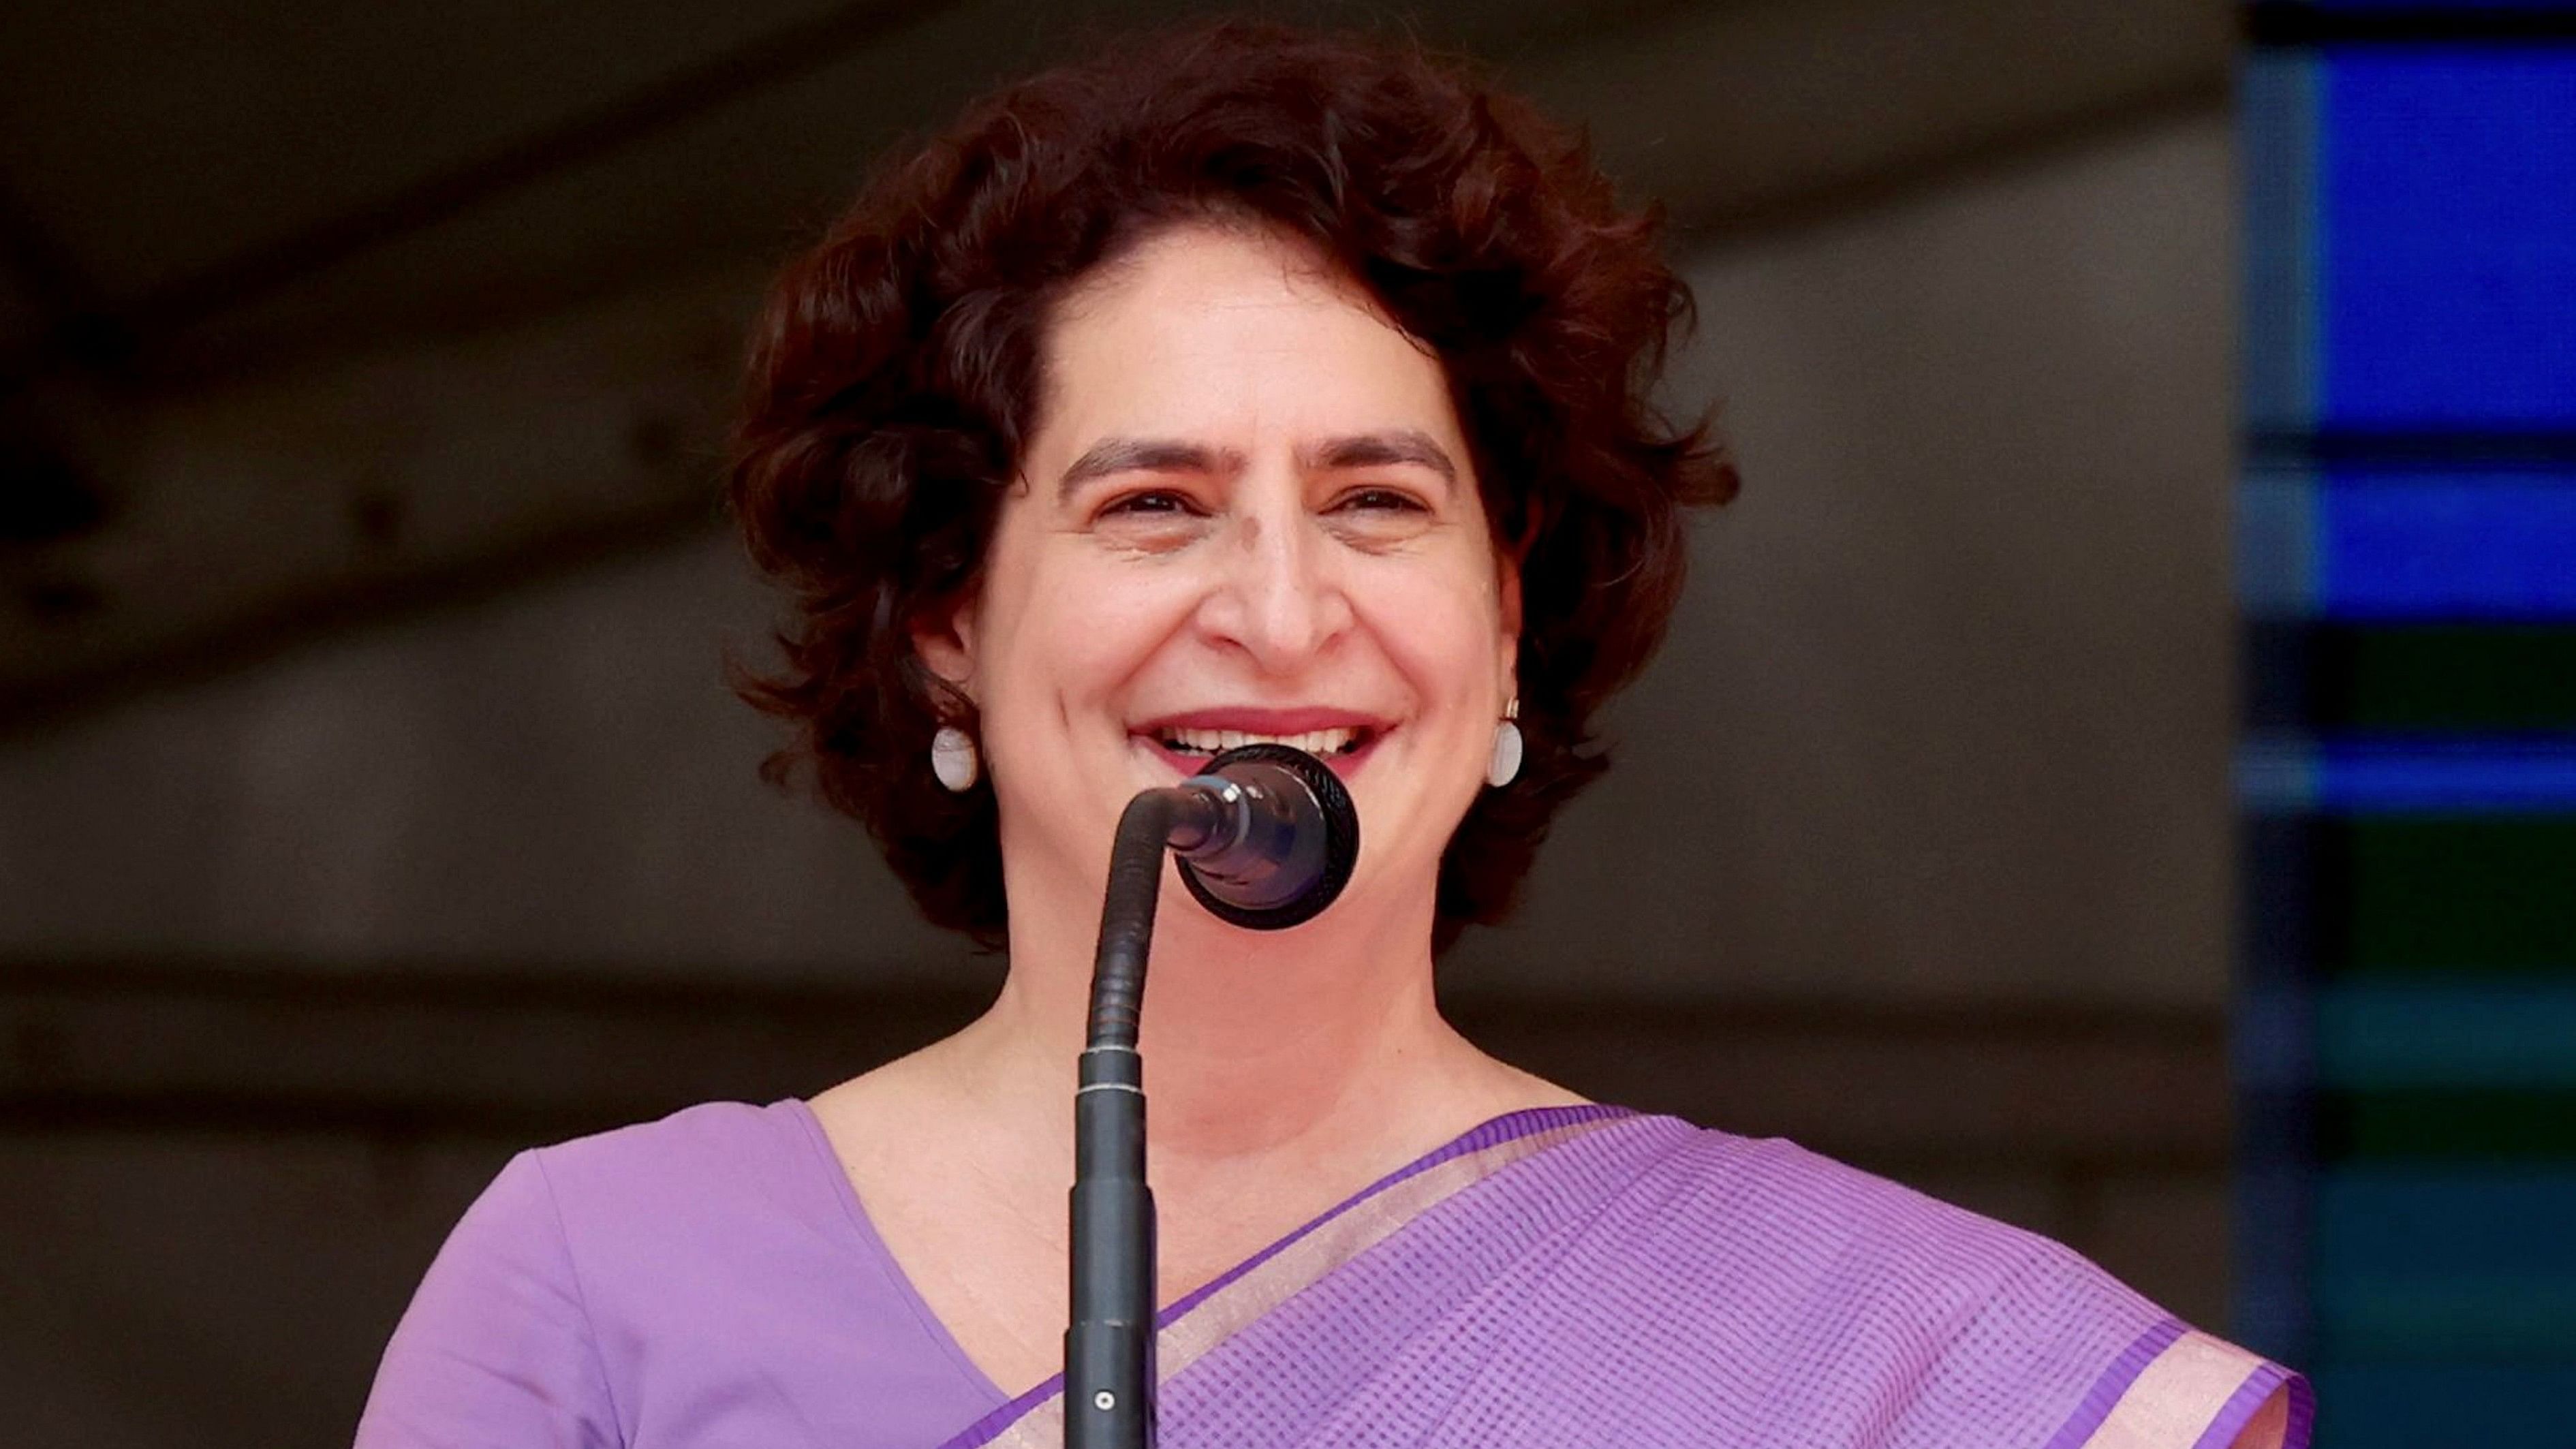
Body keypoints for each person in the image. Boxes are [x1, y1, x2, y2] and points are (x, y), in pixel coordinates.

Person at [356, 21, 2308, 1449]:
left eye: (1377, 500)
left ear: (1510, 614)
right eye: (1155, 505)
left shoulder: (1905, 1353)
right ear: (946, 617)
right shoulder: (604, 1281)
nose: (1283, 614)